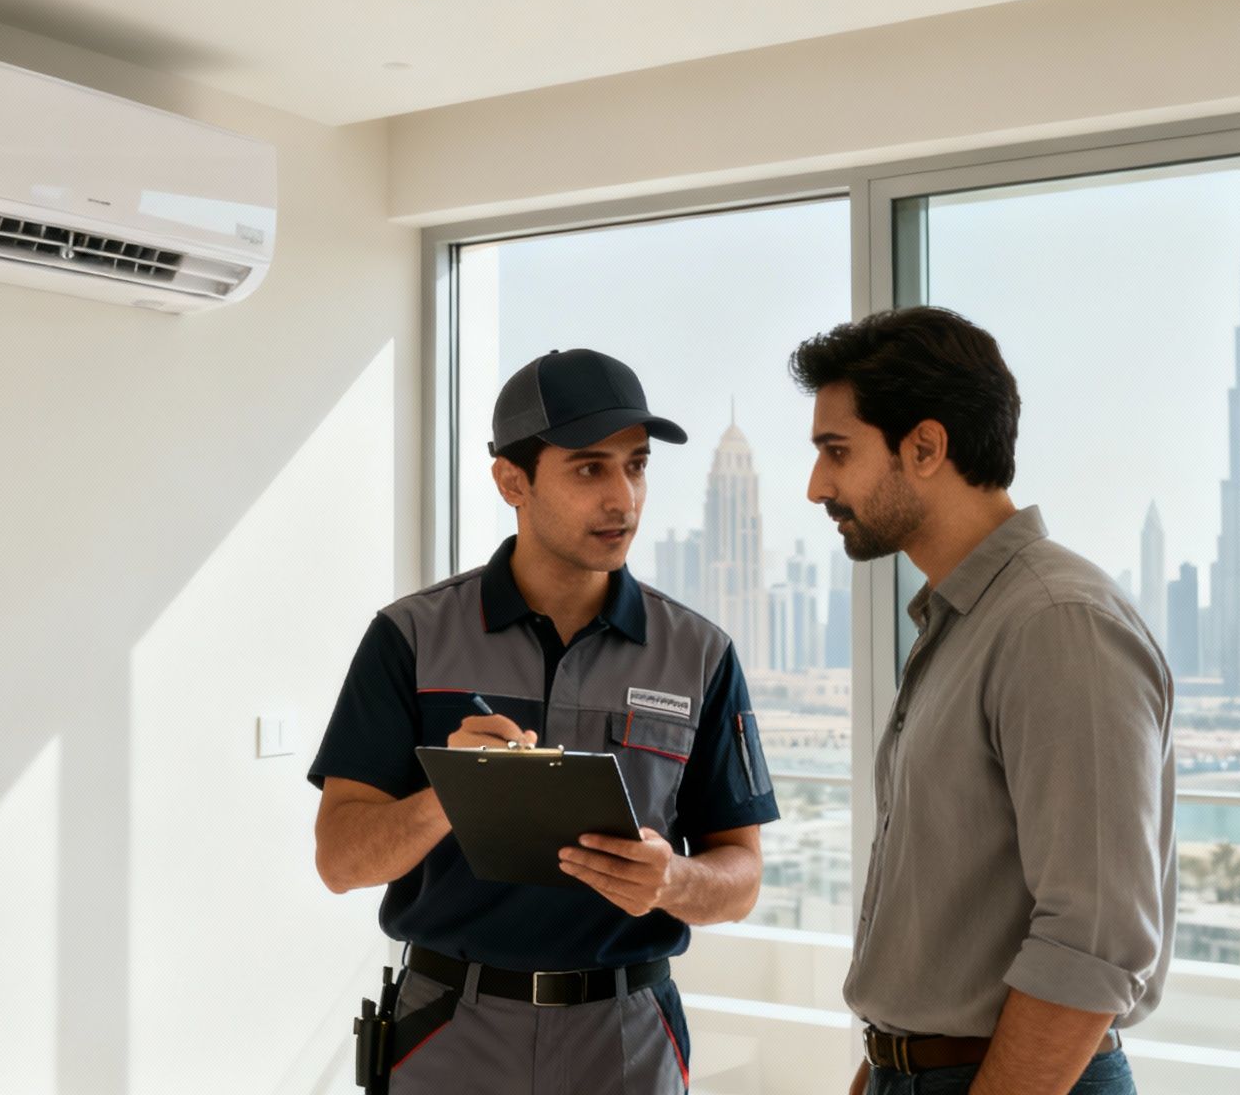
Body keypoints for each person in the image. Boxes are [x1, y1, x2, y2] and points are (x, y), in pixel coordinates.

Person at [309, 347, 778, 1095]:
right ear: (511, 481)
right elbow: (341, 861)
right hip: (450, 1031)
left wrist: (673, 880)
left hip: (628, 1039)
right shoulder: (410, 638)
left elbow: (743, 875)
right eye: (591, 469)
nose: (623, 499)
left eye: (637, 465)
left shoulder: (701, 654)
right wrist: (451, 796)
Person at [789, 307, 1174, 1095]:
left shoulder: (1056, 624)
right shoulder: (962, 620)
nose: (817, 486)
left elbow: (1093, 940)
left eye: (837, 451)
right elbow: (941, 926)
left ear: (926, 447)